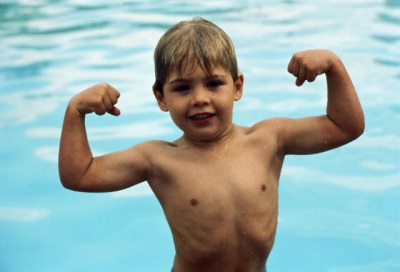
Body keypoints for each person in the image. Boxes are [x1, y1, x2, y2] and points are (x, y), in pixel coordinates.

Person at [58, 17, 364, 272]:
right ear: (161, 97)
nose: (200, 98)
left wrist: (333, 66)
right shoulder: (157, 159)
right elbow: (79, 175)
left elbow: (345, 126)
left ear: (237, 86)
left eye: (214, 83)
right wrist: (75, 112)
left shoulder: (269, 139)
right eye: (182, 88)